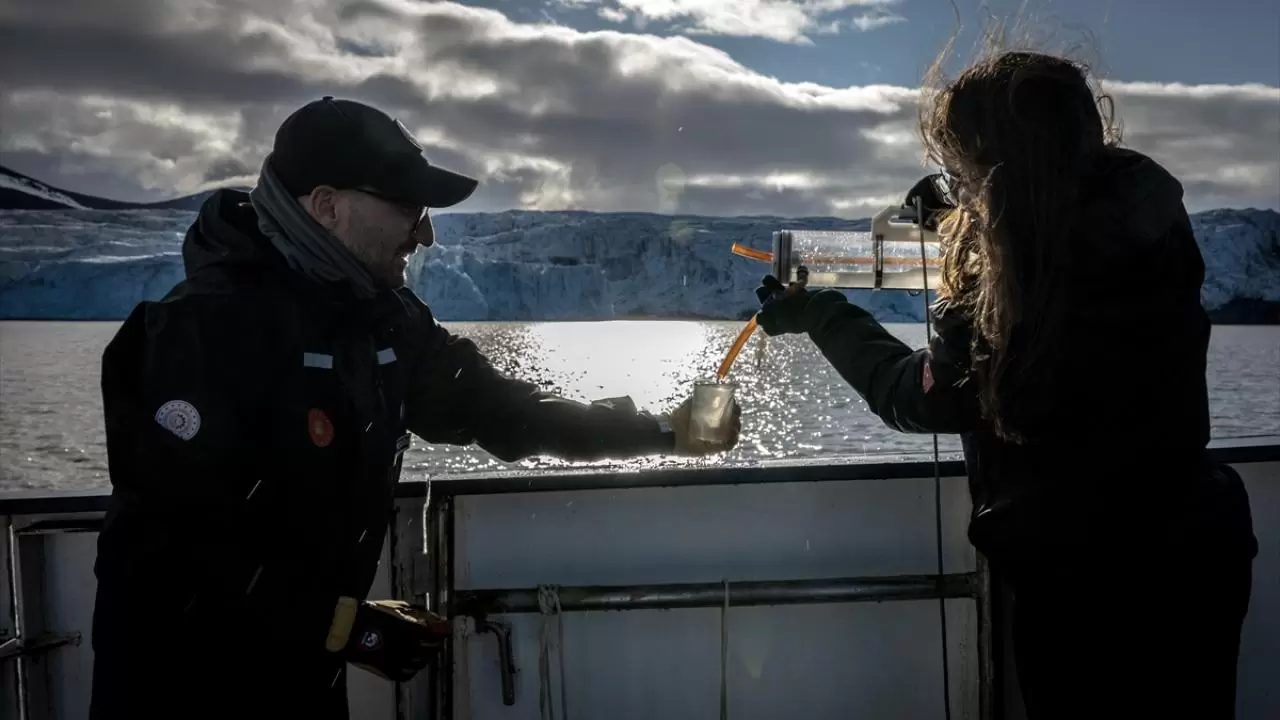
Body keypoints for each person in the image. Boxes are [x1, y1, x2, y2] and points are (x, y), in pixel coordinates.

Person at [90, 96, 741, 719]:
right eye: (407, 207)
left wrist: (663, 429)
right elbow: (177, 546)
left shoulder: (384, 322)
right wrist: (344, 624)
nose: (425, 234)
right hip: (177, 686)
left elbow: (507, 411)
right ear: (326, 206)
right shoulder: (198, 333)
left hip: (302, 674)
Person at [755, 51, 1256, 719]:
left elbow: (917, 393)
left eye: (963, 170)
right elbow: (1063, 214)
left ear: (988, 172)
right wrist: (959, 207)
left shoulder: (1016, 297)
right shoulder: (1150, 218)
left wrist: (819, 311)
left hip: (1083, 594)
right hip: (1197, 559)